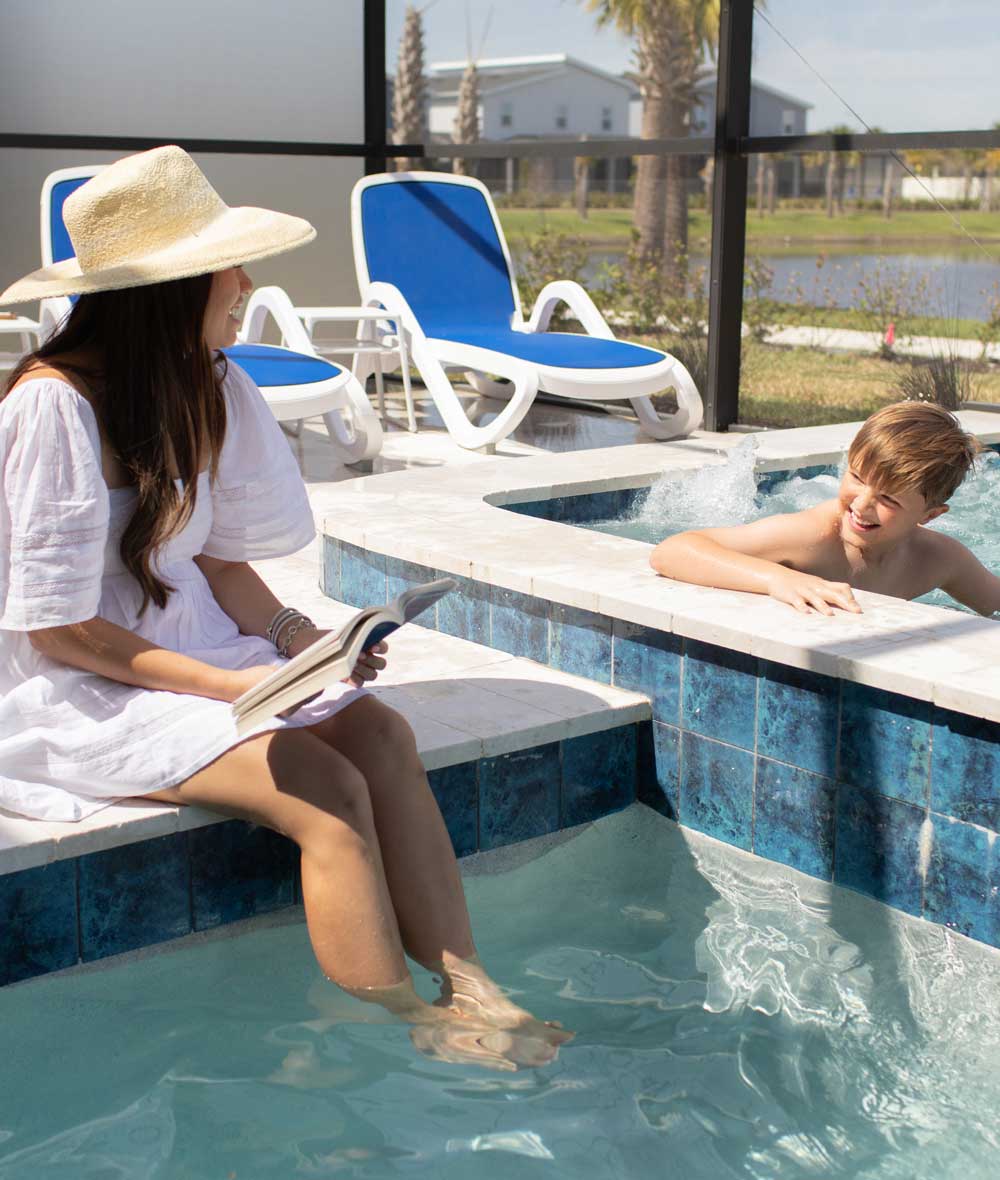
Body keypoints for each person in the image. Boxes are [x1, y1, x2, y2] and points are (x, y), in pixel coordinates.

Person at [0, 146, 569, 1071]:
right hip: (85, 683)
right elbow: (58, 627)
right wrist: (227, 687)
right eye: (229, 265)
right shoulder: (51, 408)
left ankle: (473, 987)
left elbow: (218, 565)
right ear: (170, 286)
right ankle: (406, 1031)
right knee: (326, 792)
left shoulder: (207, 382)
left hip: (192, 654)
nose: (247, 282)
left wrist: (306, 642)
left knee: (382, 735)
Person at [650, 401, 1000, 616]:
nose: (862, 504)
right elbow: (673, 551)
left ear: (929, 515)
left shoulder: (938, 559)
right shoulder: (812, 536)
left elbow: (992, 601)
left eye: (889, 499)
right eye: (857, 478)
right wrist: (777, 578)